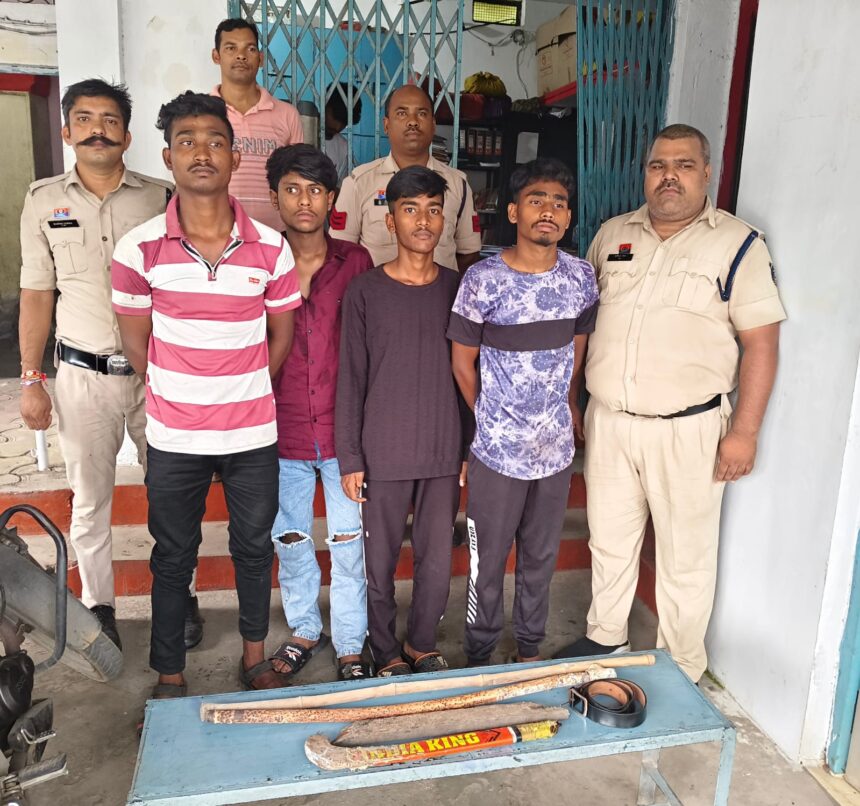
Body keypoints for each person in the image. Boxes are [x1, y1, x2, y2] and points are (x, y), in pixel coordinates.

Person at [554, 124, 786, 682]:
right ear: (646, 173)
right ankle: (605, 639)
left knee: (686, 557)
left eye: (683, 165)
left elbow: (761, 343)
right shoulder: (612, 235)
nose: (669, 177)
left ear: (707, 173)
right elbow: (583, 325)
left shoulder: (739, 245)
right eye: (659, 165)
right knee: (610, 541)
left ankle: (679, 668)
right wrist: (573, 399)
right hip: (611, 422)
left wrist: (745, 432)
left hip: (691, 430)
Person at [111, 92, 301, 697]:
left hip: (252, 432)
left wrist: (245, 386)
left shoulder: (271, 247)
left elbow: (280, 335)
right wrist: (181, 391)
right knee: (173, 556)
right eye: (187, 141)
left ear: (235, 155)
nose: (202, 152)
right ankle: (170, 673)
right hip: (175, 435)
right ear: (168, 156)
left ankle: (255, 659)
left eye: (216, 141)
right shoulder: (138, 248)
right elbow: (137, 342)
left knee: (253, 549)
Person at [16, 78, 208, 652]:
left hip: (157, 374)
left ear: (126, 135)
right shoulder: (42, 200)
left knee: (172, 496)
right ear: (66, 130)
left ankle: (182, 595)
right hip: (82, 377)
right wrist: (31, 379)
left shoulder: (160, 197)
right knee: (90, 502)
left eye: (109, 120)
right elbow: (36, 292)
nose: (97, 129)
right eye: (85, 118)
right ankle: (100, 610)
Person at [447, 158, 598, 666]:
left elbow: (578, 346)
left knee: (540, 557)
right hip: (496, 454)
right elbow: (462, 362)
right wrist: (489, 417)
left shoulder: (580, 277)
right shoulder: (482, 280)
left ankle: (529, 648)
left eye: (559, 203)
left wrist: (569, 401)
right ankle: (480, 653)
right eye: (536, 200)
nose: (548, 211)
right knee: (487, 561)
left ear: (568, 217)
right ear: (513, 212)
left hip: (554, 451)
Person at [336, 166, 469, 676]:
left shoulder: (459, 288)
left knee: (436, 560)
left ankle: (421, 643)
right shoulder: (365, 291)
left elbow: (471, 375)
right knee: (380, 562)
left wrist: (467, 448)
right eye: (410, 210)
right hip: (382, 450)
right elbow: (351, 376)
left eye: (434, 210)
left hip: (442, 448)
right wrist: (351, 456)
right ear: (390, 222)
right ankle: (385, 649)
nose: (423, 221)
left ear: (445, 220)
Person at [264, 144, 374, 681]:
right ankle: (305, 628)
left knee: (349, 542)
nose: (303, 201)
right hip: (279, 427)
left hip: (342, 432)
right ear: (275, 198)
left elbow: (370, 346)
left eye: (315, 190)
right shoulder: (259, 260)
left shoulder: (356, 262)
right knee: (290, 538)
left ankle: (351, 641)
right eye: (292, 189)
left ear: (331, 199)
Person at [329, 84, 481, 271]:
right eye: (402, 113)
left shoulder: (458, 184)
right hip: (377, 290)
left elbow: (468, 254)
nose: (413, 122)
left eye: (422, 113)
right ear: (386, 125)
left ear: (433, 124)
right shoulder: (358, 183)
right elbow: (341, 253)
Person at [211, 17, 303, 231]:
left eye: (250, 49)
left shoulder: (287, 115)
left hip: (276, 233)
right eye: (231, 48)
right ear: (216, 56)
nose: (241, 55)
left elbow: (297, 178)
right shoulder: (203, 115)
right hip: (218, 232)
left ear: (261, 58)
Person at [323, 84, 362, 184]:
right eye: (335, 117)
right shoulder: (301, 135)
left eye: (344, 122)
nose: (338, 127)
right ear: (325, 105)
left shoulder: (344, 146)